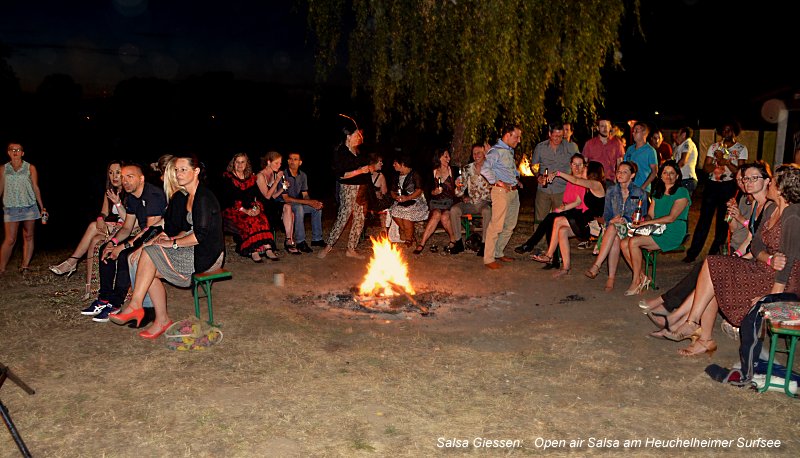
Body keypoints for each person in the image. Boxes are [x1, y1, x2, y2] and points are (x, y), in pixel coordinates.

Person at [656, 164, 800, 357]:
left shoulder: (792, 216)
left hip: (780, 283)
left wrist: (771, 300)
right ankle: (696, 329)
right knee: (713, 264)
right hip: (763, 269)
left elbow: (787, 265)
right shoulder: (771, 208)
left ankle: (695, 329)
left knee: (717, 270)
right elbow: (756, 245)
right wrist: (768, 258)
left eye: (772, 182)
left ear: (782, 189)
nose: (770, 184)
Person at [641, 162, 773, 327]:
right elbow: (735, 229)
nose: (743, 183)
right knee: (705, 268)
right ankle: (678, 316)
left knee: (707, 269)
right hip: (738, 249)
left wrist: (739, 220)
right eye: (741, 179)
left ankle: (675, 314)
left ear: (767, 181)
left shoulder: (767, 206)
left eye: (749, 179)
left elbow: (755, 237)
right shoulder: (746, 200)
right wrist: (731, 216)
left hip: (751, 258)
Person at [110, 154, 225, 339]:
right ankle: (158, 318)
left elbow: (199, 236)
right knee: (147, 263)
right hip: (192, 248)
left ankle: (137, 305)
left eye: (183, 170)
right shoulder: (183, 196)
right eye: (177, 170)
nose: (178, 174)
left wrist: (173, 244)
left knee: (150, 257)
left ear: (196, 172)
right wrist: (150, 243)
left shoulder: (203, 197)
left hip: (207, 255)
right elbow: (170, 228)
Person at [84, 162, 167, 322]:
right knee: (105, 250)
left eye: (130, 177)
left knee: (124, 255)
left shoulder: (153, 196)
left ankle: (116, 303)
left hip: (158, 237)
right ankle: (104, 299)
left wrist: (123, 246)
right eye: (123, 178)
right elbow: (127, 227)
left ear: (141, 179)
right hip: (144, 235)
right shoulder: (131, 198)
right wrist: (113, 242)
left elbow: (152, 231)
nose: (125, 181)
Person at [49, 160, 127, 298]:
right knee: (95, 239)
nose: (114, 176)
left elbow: (129, 220)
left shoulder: (129, 190)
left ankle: (72, 261)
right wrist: (100, 219)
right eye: (110, 173)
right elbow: (104, 212)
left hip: (127, 229)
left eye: (118, 172)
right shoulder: (110, 191)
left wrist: (117, 202)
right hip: (113, 227)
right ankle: (90, 287)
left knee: (92, 227)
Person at [620, 160, 690, 296]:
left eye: (672, 173)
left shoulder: (682, 192)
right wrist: (642, 220)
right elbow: (651, 215)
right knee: (623, 243)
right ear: (661, 175)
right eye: (665, 172)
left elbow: (671, 218)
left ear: (677, 176)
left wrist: (644, 224)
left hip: (673, 230)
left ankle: (636, 282)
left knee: (633, 242)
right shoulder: (658, 192)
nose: (668, 176)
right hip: (657, 228)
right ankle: (643, 276)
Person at [683, 121, 748, 263]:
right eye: (724, 130)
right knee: (703, 220)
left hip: (729, 186)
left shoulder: (741, 149)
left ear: (735, 131)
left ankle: (713, 255)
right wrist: (716, 162)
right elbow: (706, 168)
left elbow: (741, 172)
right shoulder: (714, 147)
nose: (727, 133)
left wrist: (727, 162)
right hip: (713, 185)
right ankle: (692, 253)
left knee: (723, 223)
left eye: (730, 130)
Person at [533, 159, 606, 278]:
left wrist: (558, 173)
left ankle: (549, 255)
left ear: (592, 171)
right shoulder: (588, 185)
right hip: (585, 222)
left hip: (594, 226)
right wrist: (564, 208)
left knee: (558, 220)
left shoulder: (595, 184)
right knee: (562, 230)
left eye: (585, 167)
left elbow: (576, 180)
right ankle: (565, 268)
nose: (581, 169)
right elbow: (578, 200)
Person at [514, 154, 590, 264]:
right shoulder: (570, 180)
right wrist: (562, 208)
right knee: (550, 222)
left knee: (550, 218)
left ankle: (531, 245)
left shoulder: (583, 180)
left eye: (580, 164)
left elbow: (578, 202)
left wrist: (562, 209)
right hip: (570, 211)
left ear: (584, 166)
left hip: (578, 214)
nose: (577, 167)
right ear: (570, 165)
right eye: (574, 164)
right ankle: (553, 258)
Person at [584, 161, 647, 291]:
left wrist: (626, 220)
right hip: (613, 228)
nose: (620, 174)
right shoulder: (611, 190)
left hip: (632, 229)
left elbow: (643, 216)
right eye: (619, 171)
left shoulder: (640, 193)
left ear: (632, 175)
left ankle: (597, 266)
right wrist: (611, 220)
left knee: (613, 230)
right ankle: (610, 278)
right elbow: (606, 213)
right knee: (614, 234)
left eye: (624, 172)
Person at [318, 115, 373, 259]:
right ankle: (328, 246)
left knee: (360, 218)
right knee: (344, 217)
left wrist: (368, 170)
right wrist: (360, 171)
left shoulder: (358, 151)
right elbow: (341, 175)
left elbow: (364, 169)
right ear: (348, 136)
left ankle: (351, 249)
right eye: (356, 134)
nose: (359, 137)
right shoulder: (340, 152)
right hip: (348, 189)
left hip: (361, 189)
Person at [220, 153, 278, 262]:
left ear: (247, 164)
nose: (240, 165)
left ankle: (267, 248)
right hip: (234, 209)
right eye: (237, 162)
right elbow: (228, 200)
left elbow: (255, 197)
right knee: (249, 220)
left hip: (249, 207)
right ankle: (253, 250)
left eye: (243, 162)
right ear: (233, 163)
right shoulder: (228, 178)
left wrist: (256, 208)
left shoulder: (251, 178)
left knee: (261, 218)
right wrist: (245, 210)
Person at [0, 142, 46, 274]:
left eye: (18, 149)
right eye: (12, 149)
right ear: (8, 152)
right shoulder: (4, 169)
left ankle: (25, 266)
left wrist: (42, 206)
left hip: (29, 206)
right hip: (11, 207)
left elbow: (35, 187)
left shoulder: (30, 167)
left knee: (29, 236)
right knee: (10, 239)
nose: (15, 152)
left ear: (22, 153)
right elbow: (1, 187)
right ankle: (1, 268)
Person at [481, 124, 522, 269]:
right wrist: (496, 181)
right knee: (496, 225)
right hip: (500, 192)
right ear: (508, 135)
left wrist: (516, 179)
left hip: (512, 191)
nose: (518, 140)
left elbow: (507, 169)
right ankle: (488, 258)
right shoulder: (496, 151)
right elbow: (485, 169)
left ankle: (498, 252)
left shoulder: (508, 151)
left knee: (510, 225)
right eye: (516, 137)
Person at [529, 124, 571, 250]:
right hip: (544, 189)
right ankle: (539, 245)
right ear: (549, 134)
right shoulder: (541, 147)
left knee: (559, 219)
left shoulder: (570, 147)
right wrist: (538, 176)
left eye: (560, 136)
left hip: (562, 189)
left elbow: (578, 163)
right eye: (555, 136)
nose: (558, 139)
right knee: (540, 219)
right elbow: (534, 166)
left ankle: (557, 246)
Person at [449, 143, 492, 256]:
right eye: (474, 153)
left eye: (479, 153)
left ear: (484, 154)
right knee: (454, 210)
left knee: (487, 211)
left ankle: (484, 244)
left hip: (485, 202)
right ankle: (458, 243)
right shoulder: (468, 168)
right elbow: (460, 191)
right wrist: (459, 187)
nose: (476, 155)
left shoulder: (490, 167)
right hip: (471, 203)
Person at [415, 149, 458, 254]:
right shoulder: (433, 171)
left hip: (449, 202)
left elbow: (459, 189)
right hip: (436, 202)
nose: (448, 159)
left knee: (444, 216)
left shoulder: (453, 171)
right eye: (445, 156)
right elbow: (427, 191)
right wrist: (433, 192)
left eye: (449, 156)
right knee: (436, 214)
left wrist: (457, 188)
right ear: (439, 157)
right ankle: (422, 243)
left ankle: (453, 239)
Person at [256, 151, 298, 254]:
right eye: (276, 163)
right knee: (288, 212)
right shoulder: (260, 175)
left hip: (271, 203)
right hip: (262, 205)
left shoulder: (274, 175)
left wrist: (283, 188)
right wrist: (277, 180)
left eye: (280, 163)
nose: (279, 166)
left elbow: (274, 195)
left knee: (288, 207)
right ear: (269, 162)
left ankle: (289, 240)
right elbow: (267, 196)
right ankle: (268, 243)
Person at [282, 152, 325, 252]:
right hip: (285, 205)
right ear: (288, 161)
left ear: (300, 162)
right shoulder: (283, 175)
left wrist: (312, 202)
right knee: (299, 208)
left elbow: (305, 194)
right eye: (291, 159)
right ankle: (300, 241)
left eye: (295, 159)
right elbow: (286, 198)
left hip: (296, 202)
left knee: (317, 208)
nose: (292, 161)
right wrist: (307, 202)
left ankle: (317, 238)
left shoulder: (303, 175)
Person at [387, 154, 428, 246]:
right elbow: (392, 191)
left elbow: (419, 190)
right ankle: (408, 232)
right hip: (402, 201)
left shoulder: (414, 174)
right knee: (393, 211)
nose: (393, 165)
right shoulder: (396, 176)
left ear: (402, 164)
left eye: (395, 163)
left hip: (415, 200)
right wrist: (396, 197)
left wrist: (408, 198)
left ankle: (408, 238)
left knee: (406, 214)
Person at [583, 117, 625, 189]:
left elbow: (620, 164)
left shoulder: (617, 143)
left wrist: (618, 180)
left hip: (610, 182)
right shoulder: (589, 143)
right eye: (602, 126)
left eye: (607, 126)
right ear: (598, 128)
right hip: (593, 182)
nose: (605, 128)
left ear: (610, 127)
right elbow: (584, 163)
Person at [623, 121, 658, 193]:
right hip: (628, 188)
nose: (633, 133)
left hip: (642, 189)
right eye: (633, 131)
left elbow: (654, 171)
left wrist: (643, 187)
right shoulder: (630, 149)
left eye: (636, 131)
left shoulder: (650, 150)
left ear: (644, 133)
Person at [671, 126, 699, 195]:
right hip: (684, 179)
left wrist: (671, 171)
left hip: (686, 179)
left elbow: (683, 161)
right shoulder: (681, 145)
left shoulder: (687, 143)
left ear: (683, 135)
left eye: (678, 133)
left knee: (681, 204)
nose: (676, 135)